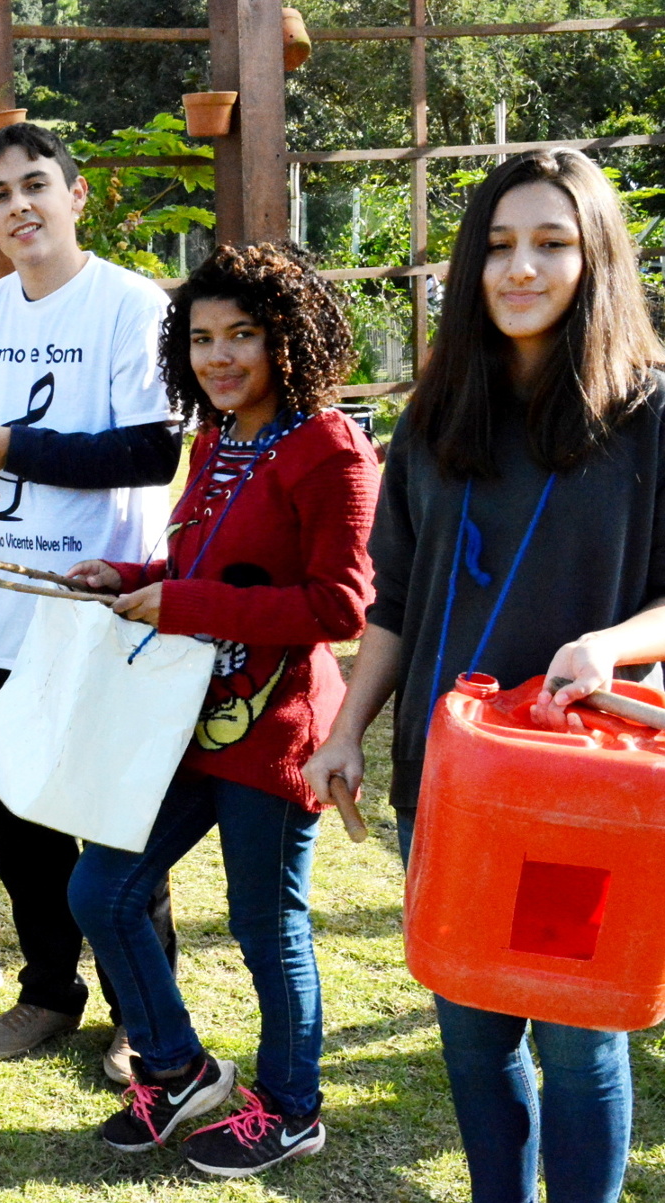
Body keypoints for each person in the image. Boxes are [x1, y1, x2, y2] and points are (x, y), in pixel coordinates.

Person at [305, 148, 665, 1203]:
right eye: (500, 245)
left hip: (588, 794)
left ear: (595, 258)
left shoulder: (650, 413)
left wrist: (612, 643)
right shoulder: (435, 413)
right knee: (471, 1029)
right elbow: (395, 602)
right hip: (447, 785)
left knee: (579, 1041)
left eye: (552, 243)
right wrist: (345, 732)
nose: (522, 267)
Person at [62, 244, 377, 1175]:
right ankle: (178, 1068)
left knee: (265, 926)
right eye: (201, 338)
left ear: (288, 339)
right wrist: (129, 576)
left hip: (277, 729)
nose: (220, 356)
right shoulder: (217, 438)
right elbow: (200, 569)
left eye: (243, 334)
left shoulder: (328, 447)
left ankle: (292, 1108)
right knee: (101, 889)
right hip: (188, 720)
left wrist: (184, 602)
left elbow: (342, 605)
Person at [0, 122, 182, 1069]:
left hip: (103, 615)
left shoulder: (131, 306)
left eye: (35, 184)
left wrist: (14, 448)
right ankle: (47, 989)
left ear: (74, 195)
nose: (18, 205)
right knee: (19, 821)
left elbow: (153, 449)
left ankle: (142, 1014)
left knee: (117, 826)